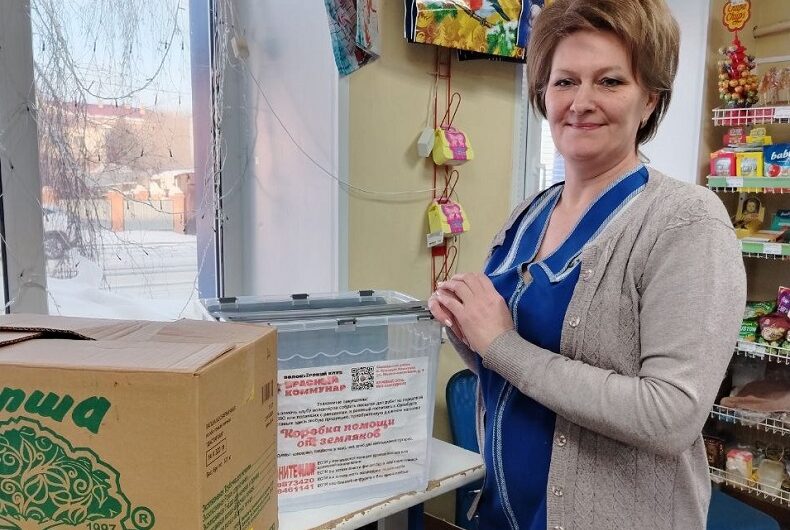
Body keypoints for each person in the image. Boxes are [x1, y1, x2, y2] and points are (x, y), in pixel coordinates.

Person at [428, 0, 746, 528]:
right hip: (503, 514)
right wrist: (466, 326)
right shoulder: (528, 214)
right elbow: (506, 361)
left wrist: (500, 344)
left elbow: (670, 416)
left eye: (610, 81)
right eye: (565, 81)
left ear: (650, 100)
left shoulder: (686, 222)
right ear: (543, 93)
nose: (581, 102)